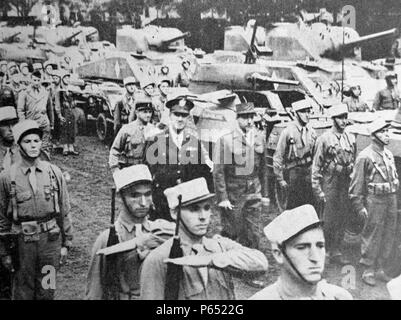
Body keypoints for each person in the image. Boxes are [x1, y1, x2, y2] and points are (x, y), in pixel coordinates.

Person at [140, 177, 269, 300]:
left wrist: (212, 260)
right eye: (194, 209)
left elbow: (261, 263)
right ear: (175, 213)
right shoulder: (159, 259)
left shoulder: (220, 246)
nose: (203, 216)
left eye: (207, 208)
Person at [0, 120, 73, 300]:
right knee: (23, 290)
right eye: (27, 141)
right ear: (19, 145)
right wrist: (4, 252)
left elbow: (64, 210)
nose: (33, 145)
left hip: (50, 240)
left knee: (47, 289)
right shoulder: (7, 176)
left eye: (36, 140)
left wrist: (66, 244)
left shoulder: (53, 172)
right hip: (22, 243)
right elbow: (2, 217)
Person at [86, 165, 174, 300]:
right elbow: (94, 292)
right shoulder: (107, 239)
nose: (144, 203)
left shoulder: (160, 230)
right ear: (121, 197)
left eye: (148, 194)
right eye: (135, 195)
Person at [213, 102, 269, 288]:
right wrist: (223, 198)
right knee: (232, 231)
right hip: (234, 192)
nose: (250, 121)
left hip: (254, 190)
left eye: (252, 117)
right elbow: (218, 171)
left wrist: (265, 193)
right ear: (237, 119)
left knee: (253, 232)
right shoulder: (226, 140)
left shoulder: (260, 137)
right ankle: (223, 265)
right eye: (245, 117)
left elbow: (263, 170)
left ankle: (250, 272)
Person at [250, 204, 353, 300]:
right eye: (302, 247)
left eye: (320, 246)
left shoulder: (339, 296)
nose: (315, 257)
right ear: (279, 254)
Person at [144, 96, 213, 221]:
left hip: (186, 201)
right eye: (177, 114)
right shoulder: (156, 140)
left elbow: (201, 173)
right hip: (161, 202)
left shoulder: (193, 141)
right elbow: (147, 172)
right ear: (170, 115)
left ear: (188, 118)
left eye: (184, 115)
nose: (180, 119)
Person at [349, 118, 399, 286]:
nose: (387, 135)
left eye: (387, 131)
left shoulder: (388, 154)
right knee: (372, 234)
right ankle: (367, 269)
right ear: (374, 135)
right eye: (383, 132)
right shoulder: (365, 156)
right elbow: (356, 185)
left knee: (388, 233)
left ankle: (380, 268)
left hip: (390, 198)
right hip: (375, 200)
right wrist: (359, 206)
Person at [312, 103, 356, 264]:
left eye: (345, 117)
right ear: (334, 119)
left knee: (342, 216)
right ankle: (323, 252)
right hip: (329, 181)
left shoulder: (350, 138)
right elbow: (316, 166)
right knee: (328, 219)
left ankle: (336, 250)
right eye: (340, 118)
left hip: (345, 182)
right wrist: (318, 190)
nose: (344, 121)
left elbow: (354, 160)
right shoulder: (324, 139)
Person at [273, 99, 317, 210]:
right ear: (296, 113)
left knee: (309, 205)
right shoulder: (288, 132)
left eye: (309, 111)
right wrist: (280, 179)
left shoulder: (311, 131)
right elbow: (278, 156)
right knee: (293, 206)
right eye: (304, 112)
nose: (307, 115)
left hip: (308, 171)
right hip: (293, 173)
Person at [0, 106, 19, 299]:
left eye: (14, 123)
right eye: (5, 124)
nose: (11, 128)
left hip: (17, 221)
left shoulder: (23, 152)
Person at [109, 97, 155, 173]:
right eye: (145, 112)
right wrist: (115, 169)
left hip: (147, 170)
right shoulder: (127, 129)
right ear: (136, 112)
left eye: (150, 112)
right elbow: (115, 150)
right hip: (129, 168)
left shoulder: (154, 130)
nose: (148, 115)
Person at [17, 70, 54, 160]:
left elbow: (50, 109)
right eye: (34, 80)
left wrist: (52, 123)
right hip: (31, 122)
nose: (36, 82)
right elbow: (20, 110)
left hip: (44, 122)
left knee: (45, 146)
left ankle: (45, 165)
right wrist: (23, 124)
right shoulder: (24, 92)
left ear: (41, 80)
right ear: (30, 80)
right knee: (32, 146)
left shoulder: (45, 92)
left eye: (38, 80)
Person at [53, 72, 79, 156]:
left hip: (71, 111)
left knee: (71, 129)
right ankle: (65, 147)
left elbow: (75, 99)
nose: (67, 79)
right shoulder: (59, 90)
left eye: (68, 78)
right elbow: (57, 103)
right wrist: (59, 115)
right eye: (65, 78)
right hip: (63, 111)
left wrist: (74, 102)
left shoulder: (71, 89)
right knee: (64, 129)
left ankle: (71, 147)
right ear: (62, 79)